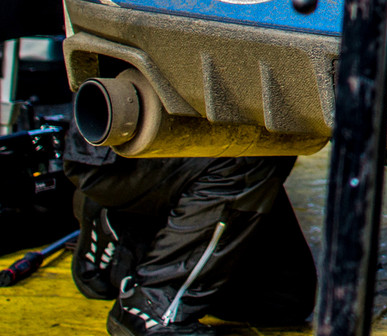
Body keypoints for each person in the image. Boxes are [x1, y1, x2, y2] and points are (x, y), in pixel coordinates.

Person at [66, 134, 316, 336]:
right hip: (122, 145)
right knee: (253, 151)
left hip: (201, 142)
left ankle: (125, 233)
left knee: (283, 299)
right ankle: (156, 305)